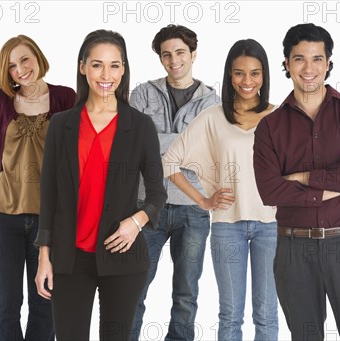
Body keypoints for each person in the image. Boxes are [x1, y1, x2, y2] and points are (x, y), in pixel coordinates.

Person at [34, 29, 167, 341]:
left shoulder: (140, 125)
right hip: (69, 258)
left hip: (123, 257)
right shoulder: (60, 125)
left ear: (123, 69)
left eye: (115, 65)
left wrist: (136, 221)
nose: (106, 75)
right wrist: (44, 258)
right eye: (97, 65)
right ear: (83, 67)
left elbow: (157, 191)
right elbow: (49, 195)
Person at [253, 23, 340, 341]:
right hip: (293, 250)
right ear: (286, 63)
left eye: (317, 59)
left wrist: (303, 178)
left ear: (328, 63)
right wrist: (337, 178)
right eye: (299, 59)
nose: (308, 69)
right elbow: (269, 191)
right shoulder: (270, 127)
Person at [162, 39, 279, 340]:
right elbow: (170, 162)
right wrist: (203, 199)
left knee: (266, 315)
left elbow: (302, 163)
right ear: (229, 75)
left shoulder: (279, 117)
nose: (247, 81)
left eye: (255, 73)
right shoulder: (214, 116)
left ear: (264, 75)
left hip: (272, 226)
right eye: (239, 73)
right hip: (228, 226)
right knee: (230, 317)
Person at [129, 24, 220, 341]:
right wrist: (184, 143)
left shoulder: (212, 102)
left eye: (180, 52)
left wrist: (156, 143)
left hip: (193, 207)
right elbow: (132, 144)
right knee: (133, 287)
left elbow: (208, 150)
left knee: (186, 293)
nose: (174, 60)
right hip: (146, 207)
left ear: (193, 54)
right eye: (166, 54)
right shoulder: (142, 93)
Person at [0, 34, 76, 340]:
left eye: (25, 59)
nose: (21, 69)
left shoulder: (65, 98)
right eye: (12, 66)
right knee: (6, 304)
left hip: (50, 221)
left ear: (37, 56)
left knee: (45, 303)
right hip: (4, 218)